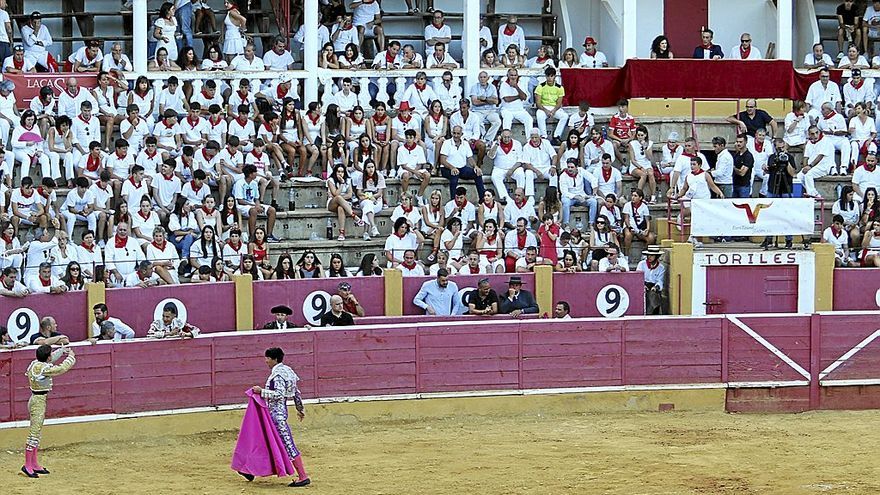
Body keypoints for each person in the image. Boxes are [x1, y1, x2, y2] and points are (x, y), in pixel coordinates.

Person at [241, 347, 311, 487]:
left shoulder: (278, 375)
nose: (265, 361)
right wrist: (300, 409)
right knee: (265, 442)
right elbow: (296, 393)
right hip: (276, 414)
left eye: (267, 358)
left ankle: (303, 476)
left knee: (287, 445)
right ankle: (249, 470)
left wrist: (262, 391)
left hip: (276, 417)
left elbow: (279, 394)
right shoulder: (288, 371)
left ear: (274, 359)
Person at [21, 344, 75, 478]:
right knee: (34, 434)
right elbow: (61, 368)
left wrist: (62, 351)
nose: (52, 356)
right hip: (38, 402)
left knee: (37, 434)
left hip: (35, 399)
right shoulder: (44, 368)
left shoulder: (36, 363)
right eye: (51, 354)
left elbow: (49, 360)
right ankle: (27, 465)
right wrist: (71, 358)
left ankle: (34, 464)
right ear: (48, 357)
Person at [637, 245, 666, 314]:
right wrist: (642, 285)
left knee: (653, 295)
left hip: (653, 286)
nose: (649, 257)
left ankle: (652, 313)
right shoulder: (641, 264)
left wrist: (656, 287)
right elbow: (638, 277)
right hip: (642, 285)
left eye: (652, 255)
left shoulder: (661, 268)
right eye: (648, 255)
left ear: (657, 257)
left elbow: (660, 281)